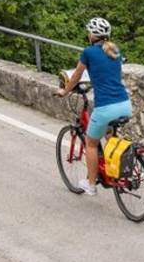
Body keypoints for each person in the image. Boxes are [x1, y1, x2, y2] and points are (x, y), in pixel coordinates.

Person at [56, 16, 131, 195]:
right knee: (110, 136)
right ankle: (114, 170)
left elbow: (76, 76)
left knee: (91, 143)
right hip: (125, 104)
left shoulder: (88, 52)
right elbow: (107, 72)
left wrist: (64, 91)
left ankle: (90, 184)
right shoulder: (115, 50)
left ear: (92, 35)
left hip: (106, 106)